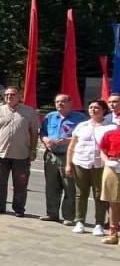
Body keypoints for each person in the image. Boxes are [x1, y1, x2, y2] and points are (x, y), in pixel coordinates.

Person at [0, 86, 39, 216]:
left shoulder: (29, 111)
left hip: (21, 154)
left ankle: (19, 209)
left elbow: (34, 132)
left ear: (19, 96)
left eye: (13, 94)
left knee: (20, 183)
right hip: (1, 153)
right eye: (7, 95)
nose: (9, 97)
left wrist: (33, 150)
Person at [66, 99, 111, 237]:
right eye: (90, 107)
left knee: (99, 195)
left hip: (100, 165)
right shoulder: (82, 126)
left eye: (96, 107)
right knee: (81, 194)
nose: (93, 110)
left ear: (103, 110)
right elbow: (72, 146)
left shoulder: (110, 127)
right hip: (81, 163)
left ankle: (99, 224)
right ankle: (80, 221)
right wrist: (68, 164)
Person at [39, 94, 85, 225]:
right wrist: (46, 139)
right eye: (57, 101)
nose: (60, 104)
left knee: (69, 186)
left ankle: (68, 216)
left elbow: (84, 135)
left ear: (70, 103)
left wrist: (67, 140)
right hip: (51, 155)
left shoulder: (79, 118)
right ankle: (51, 213)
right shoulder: (50, 116)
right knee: (51, 186)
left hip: (68, 156)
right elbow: (42, 132)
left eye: (63, 101)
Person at [99, 123, 120, 244]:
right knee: (113, 200)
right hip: (113, 166)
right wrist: (107, 161)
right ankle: (113, 233)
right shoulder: (110, 134)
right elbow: (102, 151)